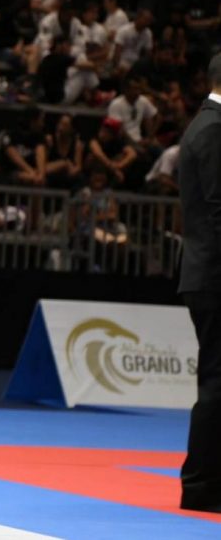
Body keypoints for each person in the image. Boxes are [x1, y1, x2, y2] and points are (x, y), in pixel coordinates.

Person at [176, 52, 221, 514]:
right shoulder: (212, 130)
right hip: (215, 275)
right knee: (217, 380)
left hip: (210, 271)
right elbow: (218, 210)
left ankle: (207, 481)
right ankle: (202, 486)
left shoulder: (208, 126)